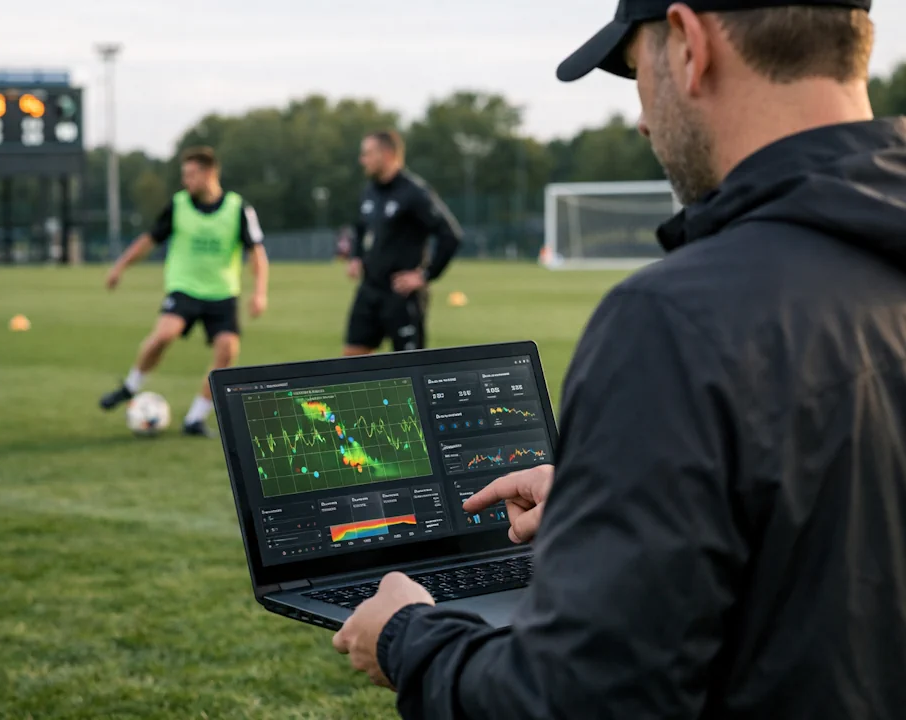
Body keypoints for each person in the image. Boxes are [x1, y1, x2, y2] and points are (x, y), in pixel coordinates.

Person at [334, 1, 906, 718]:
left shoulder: (678, 319)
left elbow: (572, 699)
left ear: (690, 44)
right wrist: (621, 495)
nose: (640, 118)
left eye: (637, 71)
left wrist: (407, 637)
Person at [99, 146, 269, 437]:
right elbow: (149, 239)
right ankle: (130, 386)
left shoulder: (239, 208)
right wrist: (120, 266)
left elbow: (257, 253)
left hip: (222, 293)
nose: (185, 181)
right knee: (164, 335)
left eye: (190, 175)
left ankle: (195, 418)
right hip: (184, 288)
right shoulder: (178, 205)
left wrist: (260, 292)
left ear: (209, 173)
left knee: (227, 352)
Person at [344, 130, 462, 355]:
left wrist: (425, 275)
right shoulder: (370, 191)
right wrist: (356, 257)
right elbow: (359, 228)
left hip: (401, 294)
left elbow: (450, 235)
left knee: (410, 366)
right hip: (370, 289)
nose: (362, 160)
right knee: (351, 359)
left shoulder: (414, 192)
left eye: (367, 154)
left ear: (387, 154)